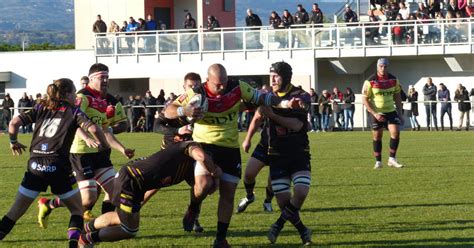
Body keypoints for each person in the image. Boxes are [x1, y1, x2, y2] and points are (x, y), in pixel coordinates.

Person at [165, 63, 302, 247]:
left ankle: (220, 239)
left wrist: (285, 103)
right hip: (205, 145)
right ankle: (193, 207)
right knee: (204, 185)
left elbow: (262, 97)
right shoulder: (198, 93)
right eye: (217, 85)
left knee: (228, 194)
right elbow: (168, 110)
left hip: (229, 148)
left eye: (224, 83)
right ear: (208, 81)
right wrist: (185, 110)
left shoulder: (237, 87)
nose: (221, 87)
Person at [0, 78, 109, 247]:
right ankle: (73, 245)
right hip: (58, 166)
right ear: (67, 94)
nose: (76, 96)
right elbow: (94, 128)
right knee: (77, 210)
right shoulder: (74, 111)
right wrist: (104, 146)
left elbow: (14, 123)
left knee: (14, 213)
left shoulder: (41, 107)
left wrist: (13, 142)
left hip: (35, 166)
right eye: (74, 93)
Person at [37, 63, 135, 225]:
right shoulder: (82, 97)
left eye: (107, 77)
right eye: (101, 77)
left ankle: (108, 222)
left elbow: (105, 130)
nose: (105, 80)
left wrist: (122, 149)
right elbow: (72, 122)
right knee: (88, 199)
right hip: (81, 153)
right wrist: (87, 138)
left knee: (116, 190)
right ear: (91, 79)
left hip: (101, 153)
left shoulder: (109, 99)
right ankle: (49, 204)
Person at [79, 141, 222, 246]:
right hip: (131, 181)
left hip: (133, 180)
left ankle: (85, 229)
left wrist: (212, 182)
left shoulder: (185, 169)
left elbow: (201, 188)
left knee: (120, 217)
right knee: (129, 230)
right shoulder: (188, 147)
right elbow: (201, 157)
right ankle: (87, 239)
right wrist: (215, 171)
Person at [147, 72, 210, 233]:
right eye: (191, 86)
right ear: (184, 87)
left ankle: (194, 217)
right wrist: (177, 129)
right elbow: (156, 126)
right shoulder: (174, 106)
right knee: (150, 187)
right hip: (170, 154)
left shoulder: (204, 104)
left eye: (197, 85)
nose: (194, 89)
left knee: (201, 186)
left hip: (191, 154)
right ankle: (127, 214)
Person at [263, 62, 312, 246]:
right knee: (284, 202)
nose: (273, 80)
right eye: (271, 76)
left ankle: (277, 225)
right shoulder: (267, 97)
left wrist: (273, 115)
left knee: (300, 192)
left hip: (299, 152)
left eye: (276, 76)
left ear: (286, 77)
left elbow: (298, 125)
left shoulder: (300, 96)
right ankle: (303, 231)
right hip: (277, 154)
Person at [236, 88, 275, 214]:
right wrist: (247, 139)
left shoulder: (287, 102)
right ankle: (249, 196)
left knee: (273, 179)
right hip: (264, 145)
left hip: (281, 148)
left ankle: (268, 201)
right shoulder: (266, 103)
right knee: (248, 175)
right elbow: (257, 119)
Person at [362, 58, 404, 169]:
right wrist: (375, 113)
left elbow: (397, 96)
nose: (383, 68)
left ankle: (392, 159)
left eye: (385, 66)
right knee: (377, 136)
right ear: (377, 67)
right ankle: (378, 161)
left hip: (390, 111)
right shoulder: (370, 81)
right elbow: (365, 100)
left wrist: (400, 113)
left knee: (395, 133)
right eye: (381, 66)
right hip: (376, 113)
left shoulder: (394, 79)